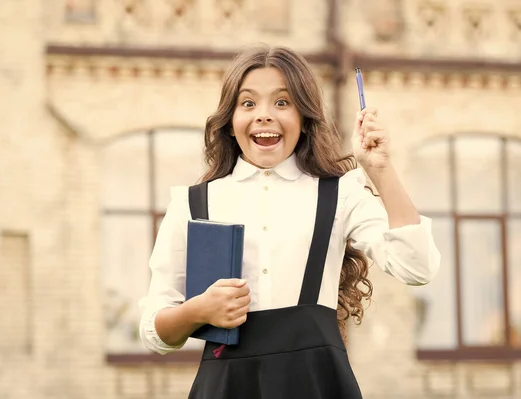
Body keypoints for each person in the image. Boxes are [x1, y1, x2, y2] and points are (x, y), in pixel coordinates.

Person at [138, 44, 441, 399]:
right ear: (231, 123)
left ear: (303, 118)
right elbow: (154, 332)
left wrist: (381, 170)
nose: (264, 115)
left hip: (318, 384)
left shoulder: (339, 195)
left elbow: (418, 267)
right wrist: (199, 310)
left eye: (282, 102)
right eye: (248, 103)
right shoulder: (192, 203)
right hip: (226, 387)